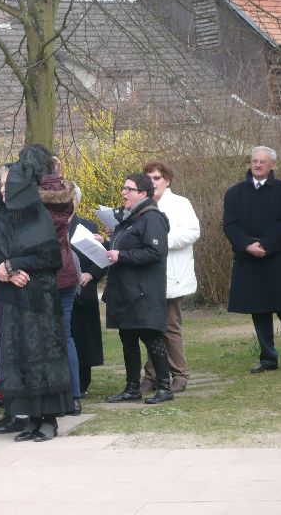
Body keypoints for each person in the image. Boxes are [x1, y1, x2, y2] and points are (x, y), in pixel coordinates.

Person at [0, 148, 76, 442]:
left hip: (38, 299)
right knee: (20, 358)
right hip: (10, 300)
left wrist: (14, 265)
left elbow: (50, 256)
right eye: (0, 184)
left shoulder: (37, 215)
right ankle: (31, 419)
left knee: (41, 357)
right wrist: (1, 270)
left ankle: (49, 420)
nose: (3, 189)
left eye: (7, 184)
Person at [223, 146, 281, 373]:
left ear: (273, 165)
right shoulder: (234, 193)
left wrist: (266, 246)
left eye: (263, 161)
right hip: (249, 258)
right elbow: (230, 225)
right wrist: (247, 245)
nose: (258, 165)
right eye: (254, 161)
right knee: (258, 308)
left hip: (279, 257)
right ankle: (268, 358)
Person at [103, 173, 173, 405]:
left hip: (144, 291)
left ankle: (164, 387)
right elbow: (127, 245)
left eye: (128, 189)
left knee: (152, 338)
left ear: (142, 193)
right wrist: (106, 243)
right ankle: (132, 387)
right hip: (126, 291)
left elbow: (155, 252)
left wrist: (121, 255)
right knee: (128, 338)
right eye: (123, 188)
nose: (123, 192)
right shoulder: (130, 218)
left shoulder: (151, 218)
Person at [139, 161, 200, 394]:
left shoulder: (180, 203)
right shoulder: (141, 204)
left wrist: (159, 242)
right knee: (150, 327)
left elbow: (192, 232)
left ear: (167, 180)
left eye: (156, 178)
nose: (152, 182)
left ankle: (180, 375)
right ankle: (153, 374)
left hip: (172, 274)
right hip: (147, 275)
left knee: (170, 326)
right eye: (148, 178)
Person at [34, 145, 82, 416]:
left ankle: (53, 394)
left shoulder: (31, 198)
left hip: (44, 273)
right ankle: (74, 396)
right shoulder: (67, 195)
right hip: (66, 270)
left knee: (43, 338)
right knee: (66, 336)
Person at [68, 184, 106, 397]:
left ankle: (83, 381)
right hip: (62, 288)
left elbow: (101, 258)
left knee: (84, 336)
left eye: (72, 198)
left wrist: (90, 274)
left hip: (83, 290)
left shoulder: (88, 226)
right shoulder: (51, 225)